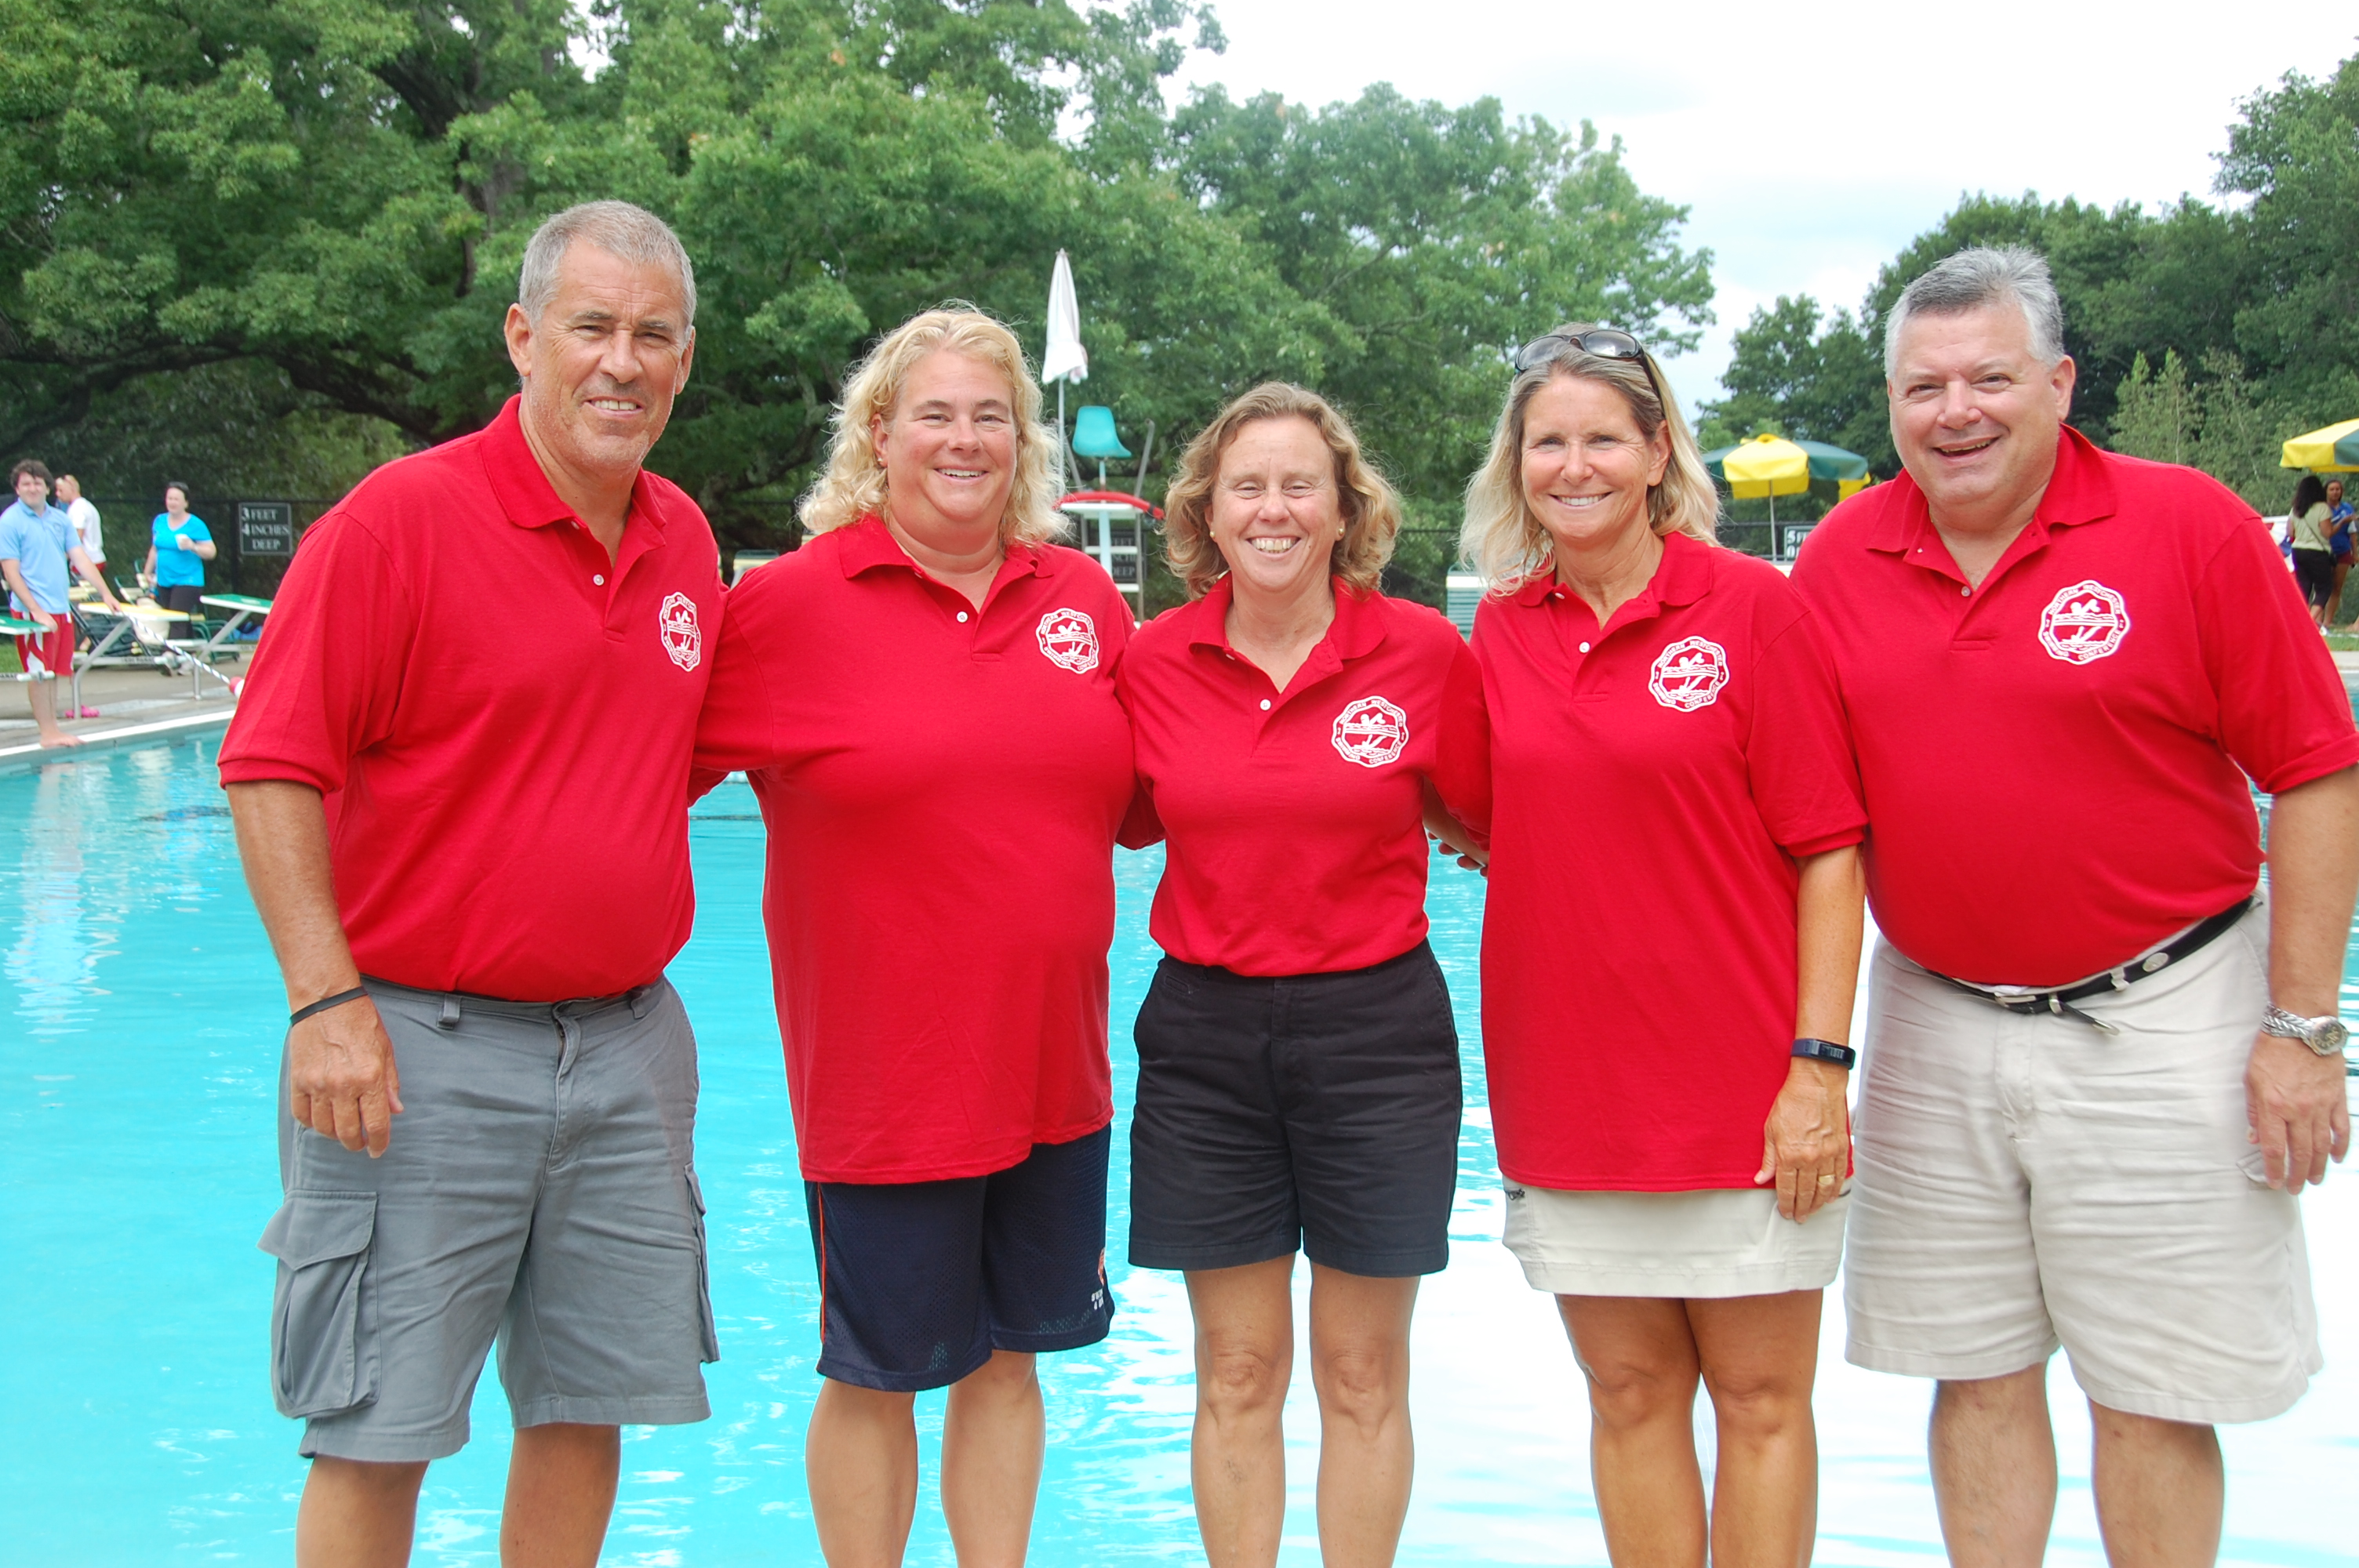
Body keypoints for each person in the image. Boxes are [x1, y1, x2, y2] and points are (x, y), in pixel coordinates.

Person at [1790, 246, 2358, 1567]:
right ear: (1892, 403)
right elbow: (1795, 813)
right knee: (1973, 1372)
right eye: (1924, 386)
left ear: (2057, 383)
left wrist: (2302, 1027)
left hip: (2166, 1010)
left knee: (2152, 1392)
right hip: (1933, 1015)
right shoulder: (1839, 558)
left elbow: (2317, 772)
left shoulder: (2187, 527)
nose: (1956, 411)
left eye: (1989, 378)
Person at [217, 200, 724, 1568]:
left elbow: (654, 760)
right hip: (411, 1052)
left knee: (584, 1409)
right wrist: (324, 1002)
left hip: (625, 1050)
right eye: (592, 326)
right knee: (374, 1425)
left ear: (684, 361)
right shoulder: (400, 522)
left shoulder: (684, 543)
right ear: (522, 336)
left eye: (654, 336)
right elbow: (268, 764)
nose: (622, 362)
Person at [691, 306, 1133, 1568]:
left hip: (1055, 1074)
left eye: (992, 416)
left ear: (1023, 440)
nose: (965, 439)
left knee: (1011, 1363)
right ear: (878, 435)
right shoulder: (787, 606)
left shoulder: (1080, 597)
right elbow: (627, 769)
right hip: (887, 1085)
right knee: (876, 1373)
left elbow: (1173, 789)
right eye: (935, 413)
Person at [1448, 327, 1867, 1567]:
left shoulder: (1753, 609)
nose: (1573, 467)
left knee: (1761, 1401)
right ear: (1518, 463)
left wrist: (1818, 1070)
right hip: (1572, 1087)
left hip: (1747, 1090)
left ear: (1655, 451)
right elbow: (1468, 809)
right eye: (1548, 442)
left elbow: (1830, 851)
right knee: (1629, 1397)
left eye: (1602, 439)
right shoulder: (1501, 633)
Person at [1115, 383, 1481, 1568]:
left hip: (1378, 1037)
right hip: (1205, 1043)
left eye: (1298, 486)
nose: (1272, 510)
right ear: (1207, 513)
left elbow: (1493, 818)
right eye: (1247, 487)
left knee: (1362, 1370)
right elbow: (1087, 812)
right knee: (1234, 1368)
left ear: (1342, 509)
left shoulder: (1421, 652)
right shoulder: (1151, 662)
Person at [2, 459, 128, 746]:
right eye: (25, 484)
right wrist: (35, 611)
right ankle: (47, 732)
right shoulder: (10, 522)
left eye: (37, 483)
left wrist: (106, 593)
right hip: (33, 612)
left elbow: (80, 558)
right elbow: (11, 572)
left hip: (60, 608)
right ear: (17, 489)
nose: (32, 488)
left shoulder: (60, 520)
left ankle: (53, 728)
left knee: (54, 672)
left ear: (47, 487)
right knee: (39, 672)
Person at [144, 481, 215, 622]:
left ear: (185, 503)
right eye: (169, 498)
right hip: (164, 580)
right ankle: (190, 638)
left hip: (187, 580)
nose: (172, 502)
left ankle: (172, 640)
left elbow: (211, 552)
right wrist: (147, 571)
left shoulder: (195, 524)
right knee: (178, 621)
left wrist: (193, 546)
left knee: (176, 620)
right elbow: (155, 548)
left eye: (176, 499)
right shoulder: (159, 521)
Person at [2284, 474, 2333, 627]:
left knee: (2303, 586)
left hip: (2298, 550)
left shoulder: (2296, 509)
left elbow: (2290, 532)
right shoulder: (2322, 508)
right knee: (2324, 588)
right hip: (2317, 552)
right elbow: (2327, 533)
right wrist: (2339, 525)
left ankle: (2298, 619)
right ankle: (2309, 621)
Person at [2326, 477, 2354, 626]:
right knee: (2324, 586)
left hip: (2344, 550)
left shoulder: (2347, 508)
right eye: (2332, 489)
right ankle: (2316, 620)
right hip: (2326, 550)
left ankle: (2328, 621)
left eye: (2338, 489)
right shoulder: (2322, 508)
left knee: (2337, 587)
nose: (2335, 492)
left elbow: (2352, 531)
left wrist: (2355, 552)